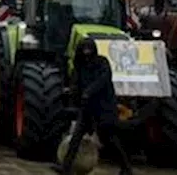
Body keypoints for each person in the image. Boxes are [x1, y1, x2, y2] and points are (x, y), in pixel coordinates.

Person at [54, 39, 133, 175]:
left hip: (104, 107)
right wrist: (73, 93)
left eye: (89, 49)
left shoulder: (102, 62)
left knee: (110, 139)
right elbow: (76, 83)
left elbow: (103, 80)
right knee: (76, 139)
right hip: (87, 109)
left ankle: (126, 168)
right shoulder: (79, 65)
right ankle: (66, 168)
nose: (86, 53)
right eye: (84, 50)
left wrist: (89, 92)